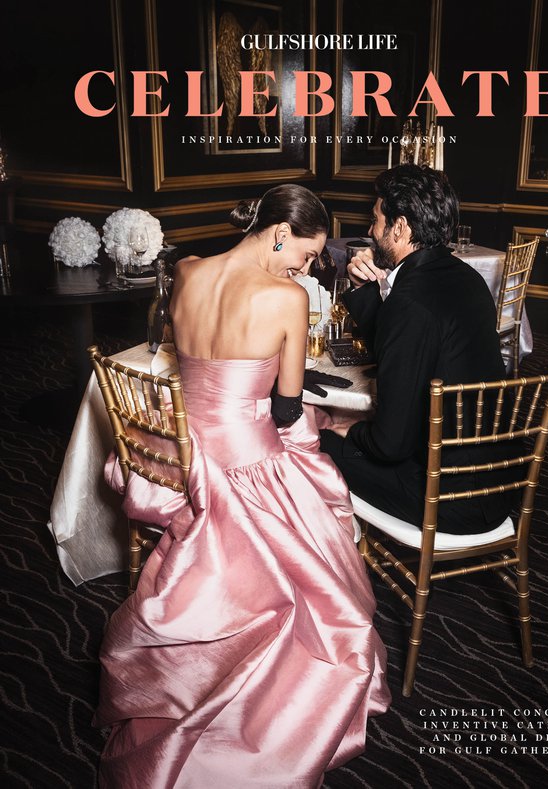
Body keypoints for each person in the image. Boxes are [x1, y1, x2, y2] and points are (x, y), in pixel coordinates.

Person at [94, 184, 390, 788]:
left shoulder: (186, 270)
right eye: (305, 255)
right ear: (280, 233)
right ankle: (264, 716)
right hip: (242, 462)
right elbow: (282, 410)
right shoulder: (285, 297)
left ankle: (184, 676)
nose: (305, 268)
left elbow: (186, 355)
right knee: (315, 552)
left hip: (182, 452)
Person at [320, 165, 520, 535]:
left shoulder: (409, 302)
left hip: (444, 497)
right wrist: (365, 291)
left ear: (399, 227)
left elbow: (391, 444)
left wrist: (353, 432)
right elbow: (411, 346)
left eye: (376, 220)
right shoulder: (466, 278)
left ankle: (332, 556)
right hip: (495, 482)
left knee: (311, 444)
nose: (370, 230)